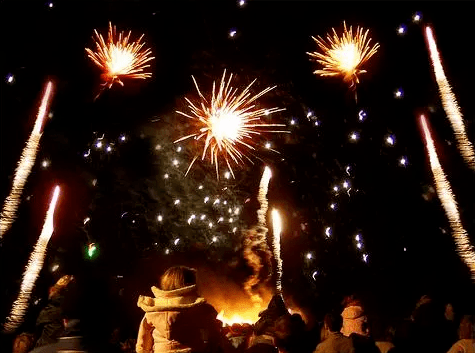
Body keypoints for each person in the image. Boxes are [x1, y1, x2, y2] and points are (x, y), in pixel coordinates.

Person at [136, 266, 235, 353]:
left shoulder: (153, 310)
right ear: (190, 283)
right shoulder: (202, 309)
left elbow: (143, 343)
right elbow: (214, 337)